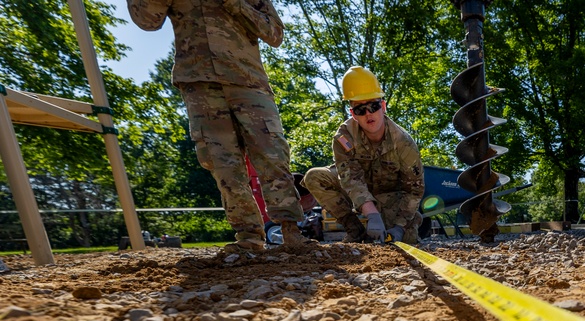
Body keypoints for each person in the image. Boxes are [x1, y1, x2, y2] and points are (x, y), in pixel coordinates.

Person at [128, 0, 309, 252]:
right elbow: (147, 21)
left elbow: (274, 33)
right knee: (223, 164)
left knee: (272, 155)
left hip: (248, 80)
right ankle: (249, 238)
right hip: (199, 82)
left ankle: (291, 231)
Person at [302, 66, 423, 244]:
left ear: (383, 106)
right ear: (353, 114)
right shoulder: (344, 137)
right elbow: (350, 178)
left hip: (389, 197)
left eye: (373, 106)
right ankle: (355, 231)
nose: (368, 114)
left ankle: (400, 225)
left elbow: (413, 191)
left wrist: (398, 226)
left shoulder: (403, 143)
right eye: (360, 109)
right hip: (358, 194)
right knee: (315, 177)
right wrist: (372, 214)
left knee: (406, 238)